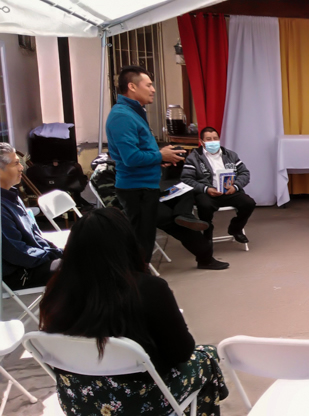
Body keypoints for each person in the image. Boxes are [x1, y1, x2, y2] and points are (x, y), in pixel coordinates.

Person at [38, 208, 228, 415]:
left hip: (78, 400)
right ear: (127, 243)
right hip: (139, 400)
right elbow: (182, 352)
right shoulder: (149, 288)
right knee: (207, 356)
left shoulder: (57, 289)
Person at [106, 65, 206, 263]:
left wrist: (161, 159)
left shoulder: (133, 112)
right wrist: (160, 156)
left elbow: (140, 151)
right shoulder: (122, 116)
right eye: (149, 85)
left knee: (182, 198)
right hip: (136, 188)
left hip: (146, 185)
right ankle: (138, 277)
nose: (153, 90)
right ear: (132, 86)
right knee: (142, 241)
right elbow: (130, 158)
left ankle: (202, 248)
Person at [90, 157, 229, 270]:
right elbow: (115, 203)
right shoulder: (104, 172)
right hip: (135, 206)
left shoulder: (124, 162)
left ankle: (183, 215)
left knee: (187, 190)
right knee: (175, 223)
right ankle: (205, 257)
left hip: (150, 195)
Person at [0, 143, 62, 290]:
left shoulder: (12, 196)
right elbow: (18, 253)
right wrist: (55, 254)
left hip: (34, 262)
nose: (21, 167)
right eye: (16, 164)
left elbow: (35, 236)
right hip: (20, 273)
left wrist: (58, 251)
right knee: (85, 267)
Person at [181, 127, 255, 244]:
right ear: (202, 142)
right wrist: (206, 189)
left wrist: (235, 186)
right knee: (204, 205)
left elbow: (245, 173)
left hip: (229, 191)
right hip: (207, 193)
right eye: (208, 139)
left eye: (215, 138)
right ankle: (207, 233)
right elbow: (186, 179)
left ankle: (236, 229)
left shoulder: (230, 155)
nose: (213, 141)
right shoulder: (194, 158)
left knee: (249, 203)